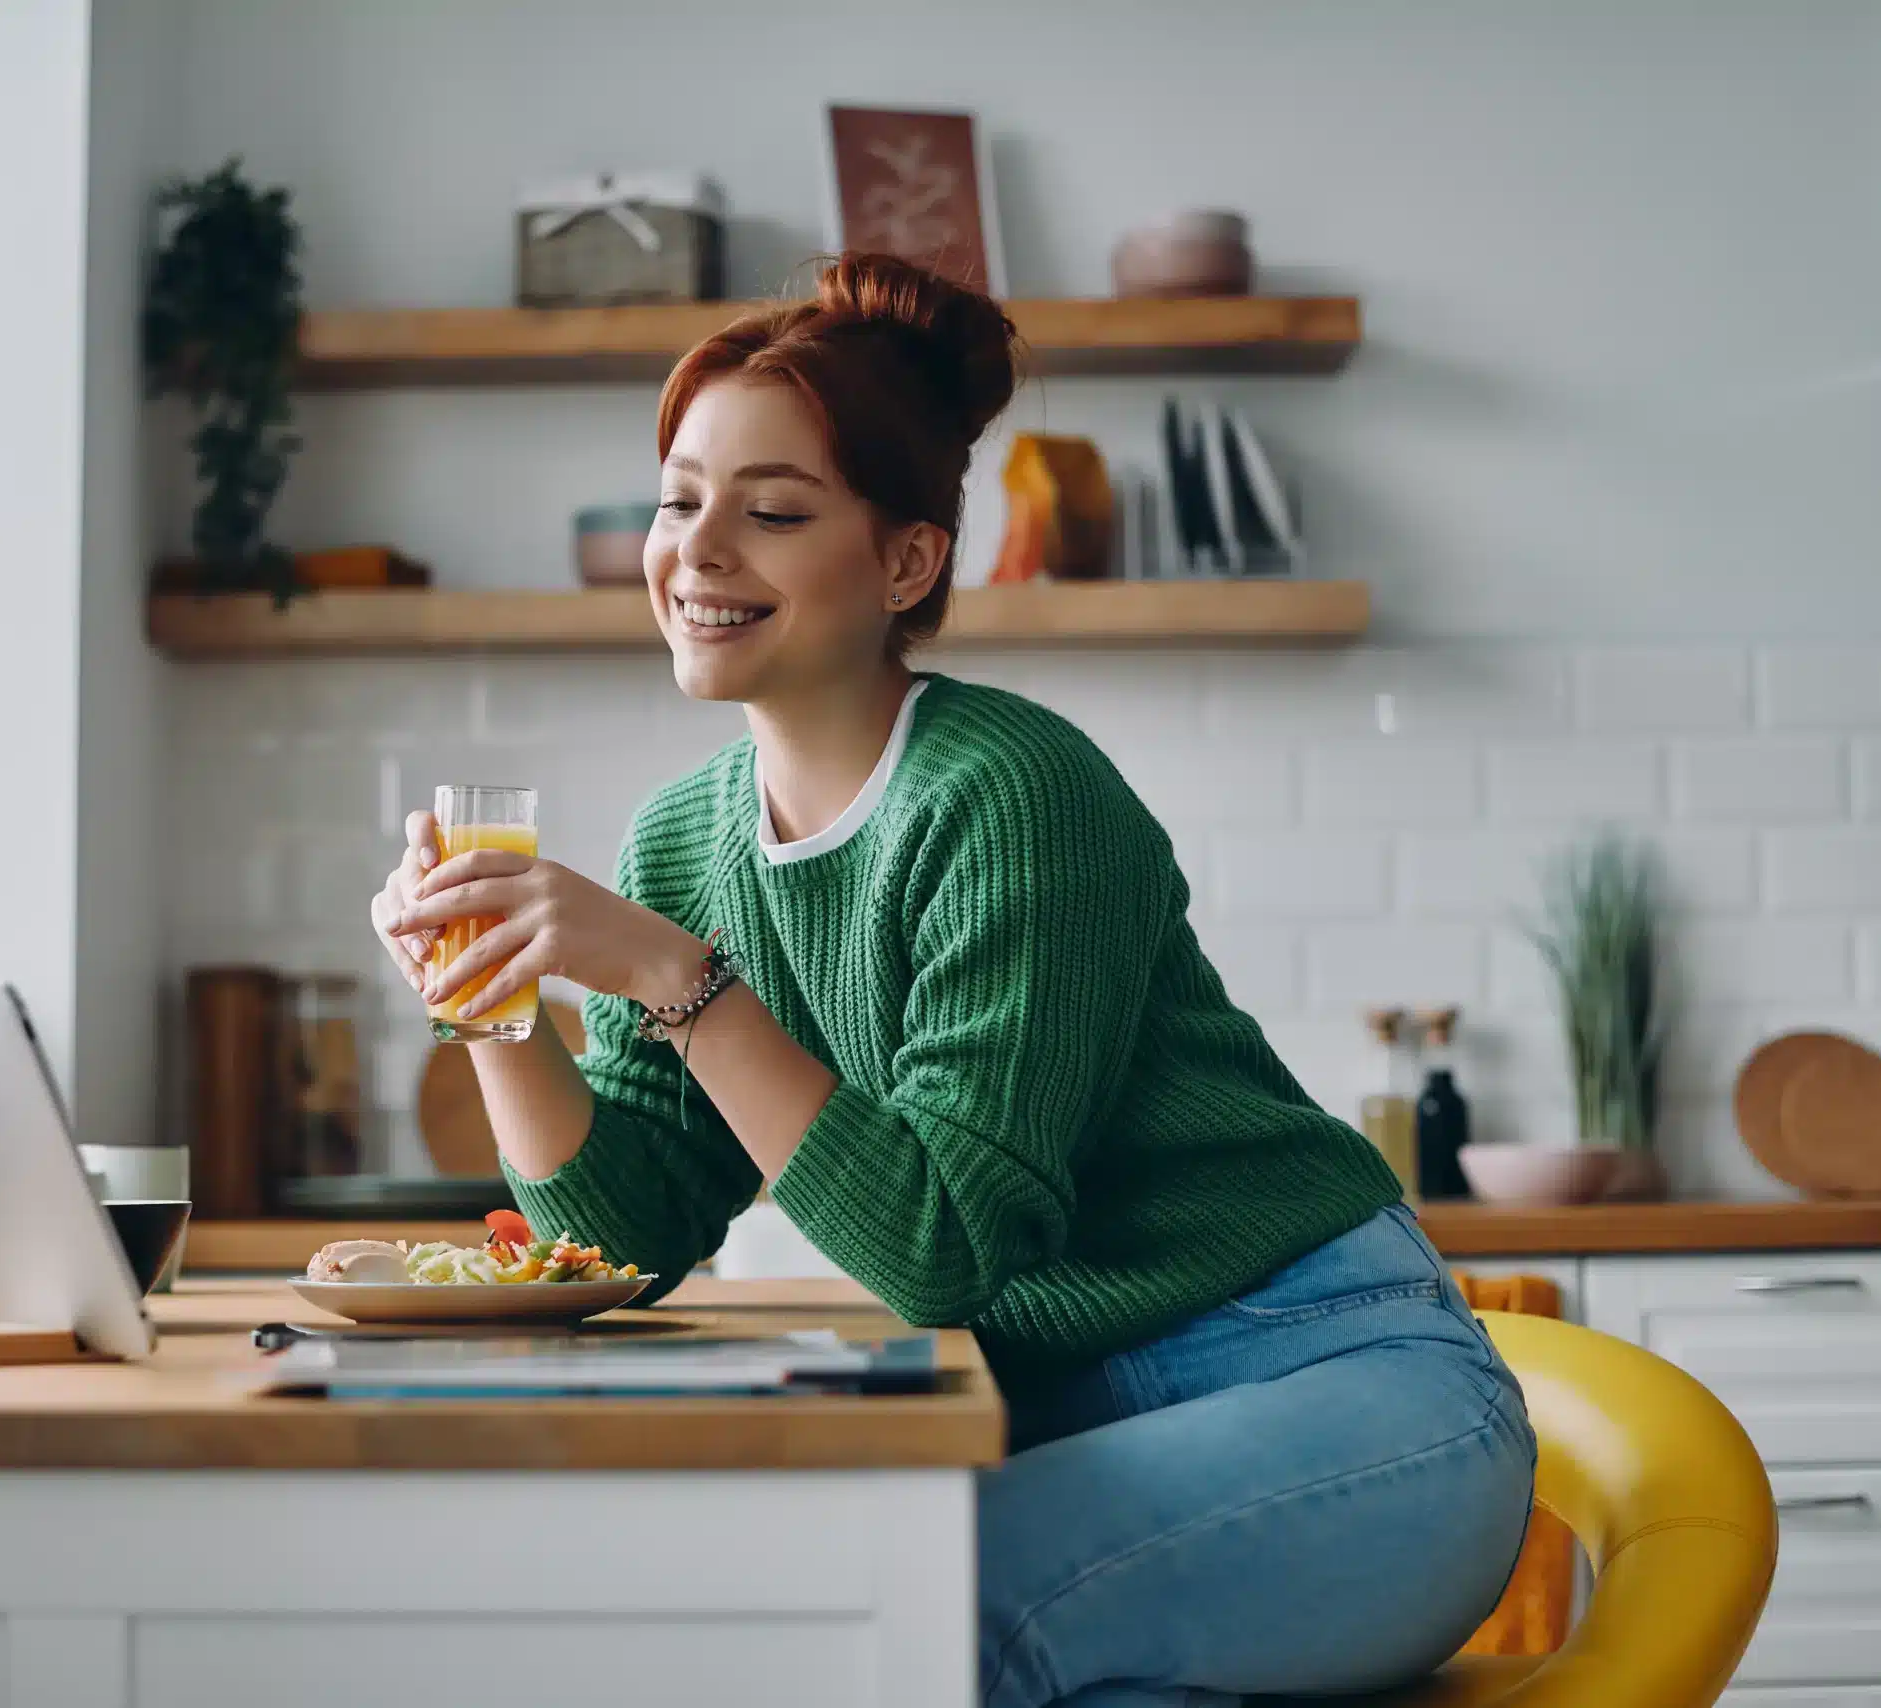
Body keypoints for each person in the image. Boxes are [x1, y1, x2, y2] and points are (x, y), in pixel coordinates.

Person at [371, 252, 1535, 1707]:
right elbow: (623, 1237)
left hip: (1339, 1391)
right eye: (680, 499)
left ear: (907, 562)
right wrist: (488, 999)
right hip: (1082, 1416)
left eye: (772, 510)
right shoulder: (683, 838)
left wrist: (670, 972)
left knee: (911, 1623)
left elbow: (942, 1245)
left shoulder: (1012, 794)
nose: (698, 548)